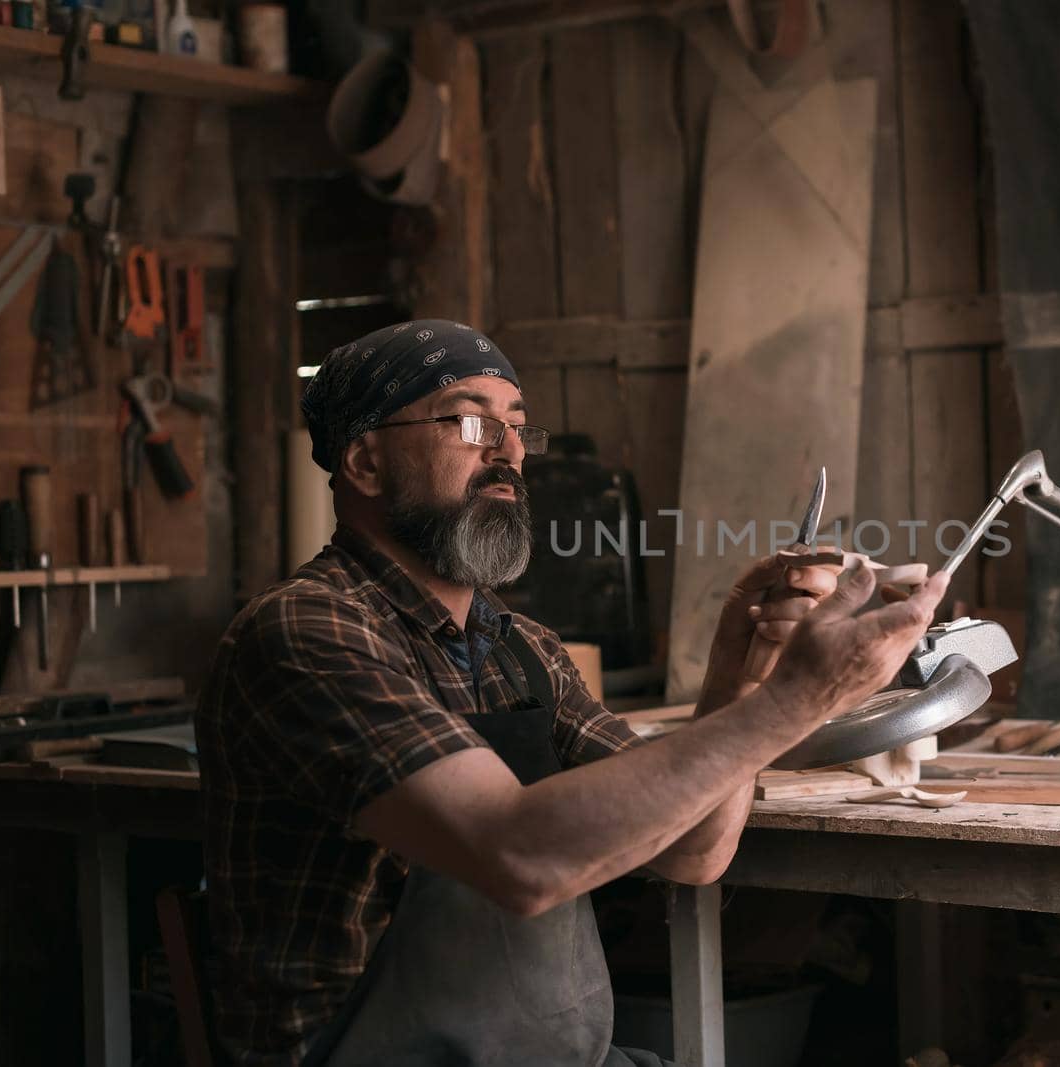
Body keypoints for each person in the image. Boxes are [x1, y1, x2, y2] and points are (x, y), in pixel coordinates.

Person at [196, 319, 948, 1066]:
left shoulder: (522, 648)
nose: (508, 453)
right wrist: (795, 701)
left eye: (518, 428)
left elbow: (693, 848)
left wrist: (739, 673)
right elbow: (518, 856)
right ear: (364, 460)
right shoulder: (304, 630)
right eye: (471, 421)